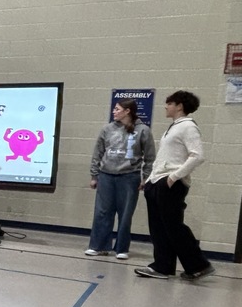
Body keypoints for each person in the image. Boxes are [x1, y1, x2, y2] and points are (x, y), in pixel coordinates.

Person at [136, 90, 215, 280]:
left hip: (170, 184)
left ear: (179, 106)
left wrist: (173, 177)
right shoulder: (173, 127)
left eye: (169, 103)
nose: (166, 106)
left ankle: (198, 265)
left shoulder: (188, 127)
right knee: (158, 227)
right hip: (157, 182)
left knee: (173, 226)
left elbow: (197, 155)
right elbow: (165, 156)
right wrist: (150, 179)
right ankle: (163, 266)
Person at [86, 99, 156, 259]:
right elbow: (98, 153)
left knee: (125, 214)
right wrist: (94, 175)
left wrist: (146, 177)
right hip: (106, 175)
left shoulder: (143, 130)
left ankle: (122, 248)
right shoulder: (107, 129)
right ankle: (98, 245)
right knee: (102, 212)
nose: (114, 111)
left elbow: (150, 157)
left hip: (129, 177)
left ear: (127, 111)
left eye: (117, 109)